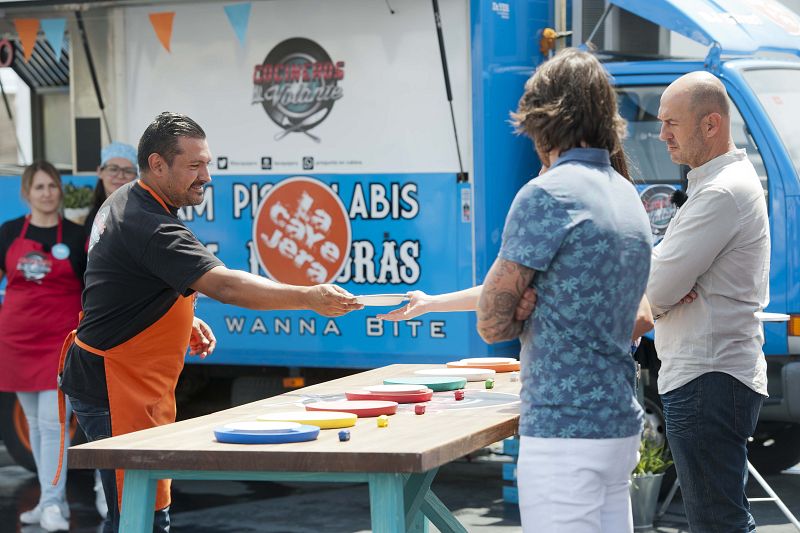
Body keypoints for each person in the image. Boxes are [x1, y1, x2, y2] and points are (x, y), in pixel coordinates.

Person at [58, 112, 362, 533]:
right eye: (195, 165)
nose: (206, 176)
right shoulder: (150, 223)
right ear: (158, 164)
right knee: (140, 515)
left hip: (121, 377)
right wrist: (308, 296)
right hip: (115, 383)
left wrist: (182, 316)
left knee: (141, 507)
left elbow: (127, 282)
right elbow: (229, 286)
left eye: (208, 163)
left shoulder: (131, 197)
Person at [477, 48, 651, 533]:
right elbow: (638, 313)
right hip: (617, 423)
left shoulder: (547, 193)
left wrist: (524, 308)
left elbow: (491, 323)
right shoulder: (626, 194)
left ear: (543, 118)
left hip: (562, 431)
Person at [647, 71, 769, 532]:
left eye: (671, 124)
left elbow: (655, 288)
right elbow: (663, 281)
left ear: (711, 124)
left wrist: (661, 299)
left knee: (717, 523)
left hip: (707, 374)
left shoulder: (720, 191)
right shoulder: (718, 183)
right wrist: (667, 292)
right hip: (710, 373)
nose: (661, 135)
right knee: (720, 519)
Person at [0, 161, 86, 531]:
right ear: (26, 193)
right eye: (39, 187)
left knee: (54, 425)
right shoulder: (7, 233)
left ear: (59, 191)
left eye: (52, 186)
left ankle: (52, 503)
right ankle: (50, 503)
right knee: (34, 424)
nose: (47, 193)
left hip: (60, 341)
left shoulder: (79, 236)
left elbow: (93, 288)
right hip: (17, 339)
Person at [85, 142, 139, 237]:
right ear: (100, 172)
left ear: (136, 177)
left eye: (128, 171)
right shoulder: (92, 218)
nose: (121, 176)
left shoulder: (144, 216)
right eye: (113, 169)